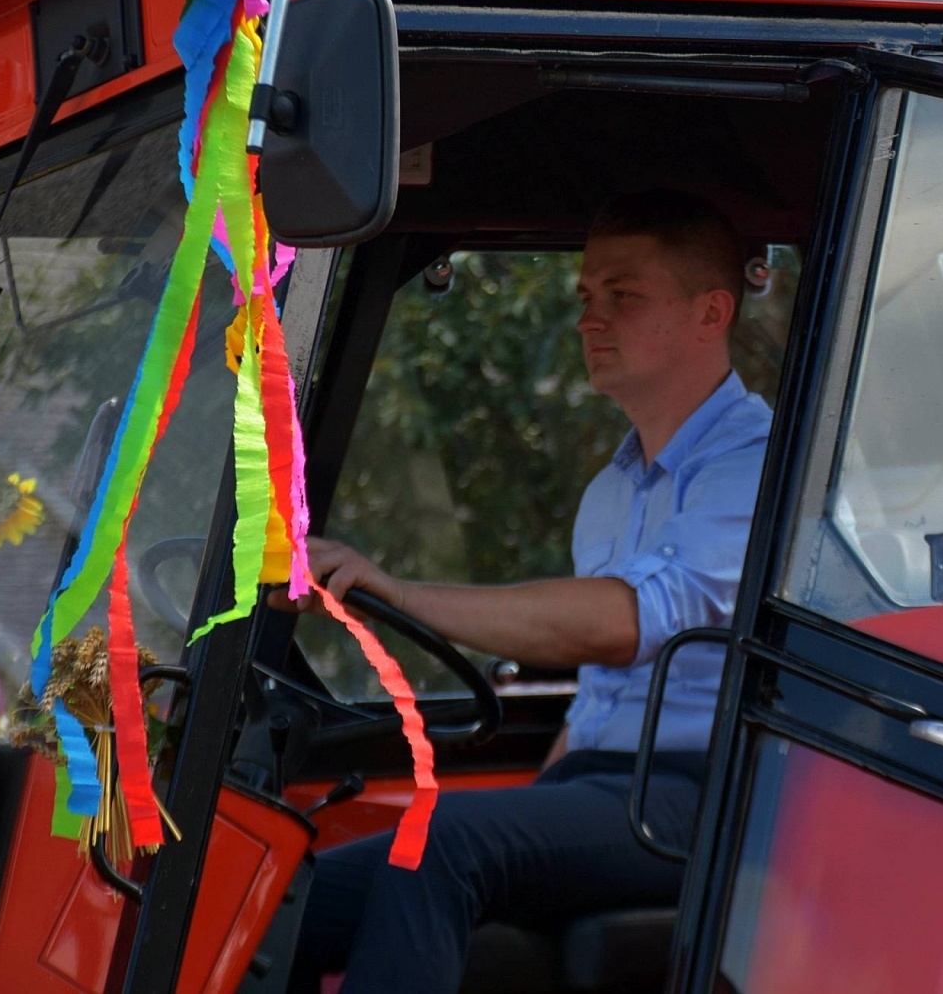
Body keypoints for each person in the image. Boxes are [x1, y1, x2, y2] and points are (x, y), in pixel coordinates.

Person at [283, 190, 772, 992]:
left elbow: (626, 622)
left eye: (624, 296)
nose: (590, 320)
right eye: (586, 297)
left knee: (441, 842)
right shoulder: (611, 494)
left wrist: (398, 592)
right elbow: (603, 700)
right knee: (285, 892)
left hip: (701, 798)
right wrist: (540, 803)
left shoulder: (756, 468)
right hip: (603, 788)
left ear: (710, 312)